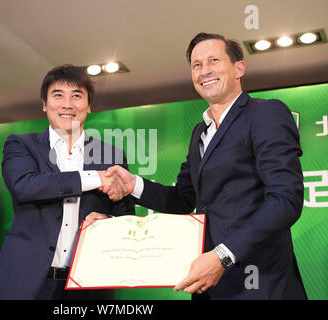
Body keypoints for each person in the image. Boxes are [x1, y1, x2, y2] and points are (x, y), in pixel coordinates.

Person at [104, 33, 307, 299]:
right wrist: (134, 185)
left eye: (214, 60)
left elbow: (286, 199)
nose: (204, 71)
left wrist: (223, 255)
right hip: (209, 286)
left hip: (261, 282)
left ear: (239, 68)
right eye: (196, 65)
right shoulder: (200, 132)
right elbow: (183, 199)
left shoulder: (265, 113)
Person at [0, 64, 135, 300]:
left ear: (89, 106)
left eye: (77, 96)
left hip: (87, 286)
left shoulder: (111, 156)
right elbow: (25, 186)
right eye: (58, 95)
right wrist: (95, 178)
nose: (67, 104)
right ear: (44, 104)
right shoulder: (22, 145)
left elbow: (125, 217)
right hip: (24, 282)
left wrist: (108, 222)